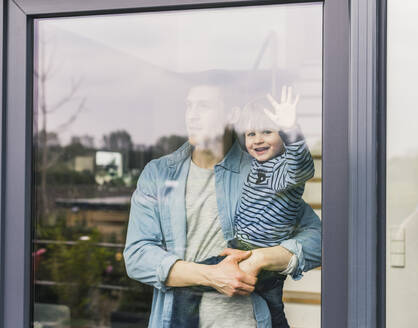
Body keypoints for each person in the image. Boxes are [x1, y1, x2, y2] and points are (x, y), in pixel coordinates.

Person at [123, 84, 322, 328]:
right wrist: (213, 275)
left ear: (232, 115)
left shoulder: (259, 172)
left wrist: (259, 260)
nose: (192, 115)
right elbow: (137, 256)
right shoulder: (159, 174)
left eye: (204, 106)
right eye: (189, 106)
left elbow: (318, 241)